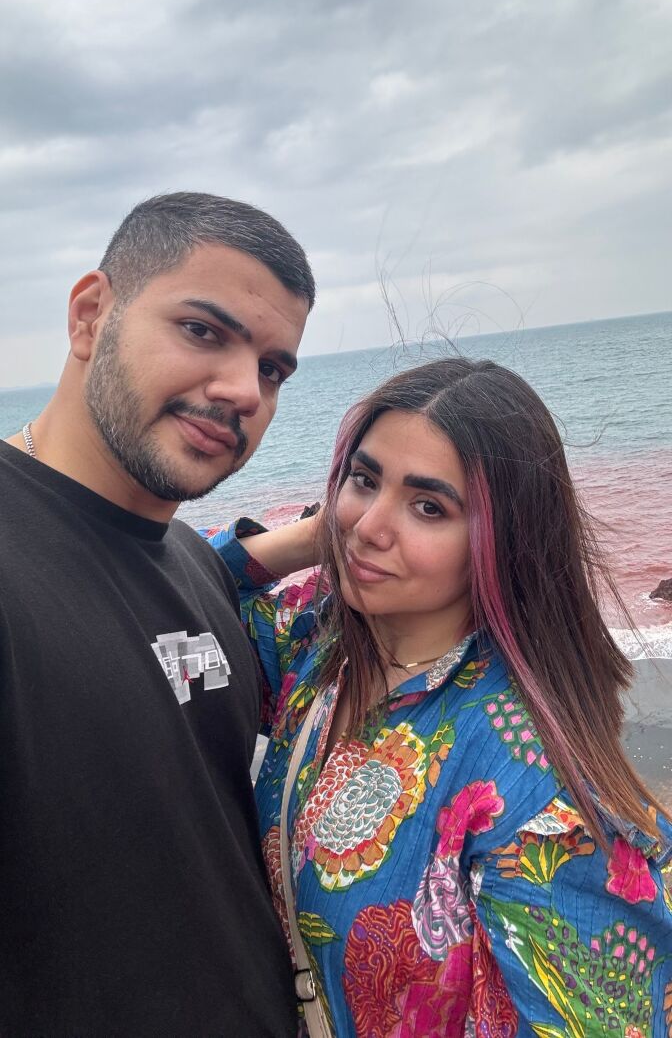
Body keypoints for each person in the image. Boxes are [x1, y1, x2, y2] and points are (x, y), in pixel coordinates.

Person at [205, 356, 672, 1037]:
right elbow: (182, 591)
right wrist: (314, 536)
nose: (371, 526)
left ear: (503, 539)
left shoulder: (535, 790)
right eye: (364, 479)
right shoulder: (319, 640)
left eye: (429, 506)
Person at [0, 192, 315, 1036]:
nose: (243, 390)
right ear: (90, 316)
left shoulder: (194, 566)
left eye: (274, 369)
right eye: (202, 330)